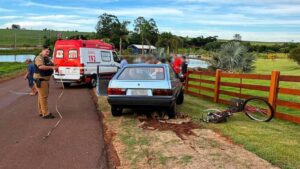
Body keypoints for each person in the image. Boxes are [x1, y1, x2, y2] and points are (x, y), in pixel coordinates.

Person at [33, 46, 57, 119]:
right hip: (41, 80)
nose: (48, 53)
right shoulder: (39, 58)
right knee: (43, 97)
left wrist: (55, 66)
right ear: (42, 50)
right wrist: (52, 67)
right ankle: (46, 114)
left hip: (44, 80)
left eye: (49, 52)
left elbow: (53, 64)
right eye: (46, 51)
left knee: (41, 96)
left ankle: (41, 111)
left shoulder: (47, 58)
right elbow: (41, 67)